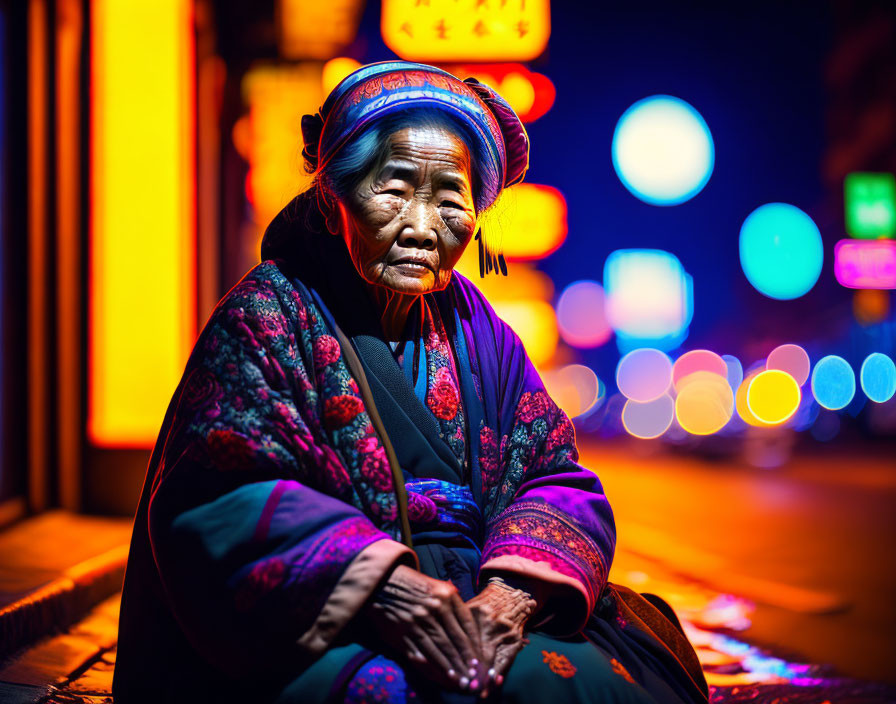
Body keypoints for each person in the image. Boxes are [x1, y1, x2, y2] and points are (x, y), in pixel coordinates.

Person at [112, 61, 709, 704]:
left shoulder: (483, 332)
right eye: (394, 192)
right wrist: (386, 590)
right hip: (334, 616)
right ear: (333, 194)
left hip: (481, 602)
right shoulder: (268, 314)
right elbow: (221, 491)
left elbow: (552, 473)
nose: (423, 227)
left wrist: (510, 599)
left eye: (450, 200)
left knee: (615, 680)